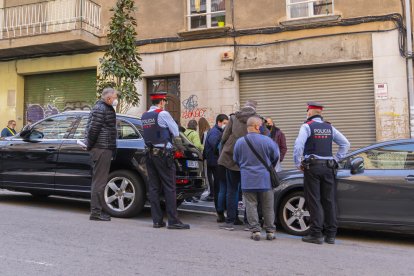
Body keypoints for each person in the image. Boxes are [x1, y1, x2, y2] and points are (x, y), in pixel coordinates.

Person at [293, 102, 350, 245]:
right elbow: (345, 144)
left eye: (307, 111)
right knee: (329, 200)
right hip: (329, 168)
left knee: (314, 200)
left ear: (310, 112)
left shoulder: (307, 126)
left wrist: (298, 163)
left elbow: (298, 145)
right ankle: (331, 235)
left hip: (313, 167)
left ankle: (316, 234)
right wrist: (335, 159)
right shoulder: (330, 127)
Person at [142, 91, 190, 230]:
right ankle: (173, 221)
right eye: (165, 102)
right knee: (170, 187)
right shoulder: (163, 114)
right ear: (162, 102)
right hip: (163, 154)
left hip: (150, 154)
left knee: (154, 188)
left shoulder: (144, 115)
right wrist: (180, 148)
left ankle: (157, 221)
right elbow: (175, 132)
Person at [234, 116, 279, 241]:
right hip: (265, 179)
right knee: (268, 206)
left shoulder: (239, 142)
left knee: (250, 205)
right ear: (257, 126)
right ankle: (270, 231)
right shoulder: (267, 141)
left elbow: (236, 160)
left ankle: (255, 231)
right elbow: (275, 156)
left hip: (247, 179)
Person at [218, 100, 259, 230]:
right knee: (249, 191)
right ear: (254, 109)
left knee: (232, 190)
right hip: (250, 160)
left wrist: (223, 150)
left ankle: (231, 221)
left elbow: (224, 137)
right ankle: (249, 222)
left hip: (232, 158)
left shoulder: (234, 118)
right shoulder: (257, 119)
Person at [85, 88, 118, 221]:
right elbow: (93, 129)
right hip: (102, 147)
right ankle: (96, 212)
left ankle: (97, 210)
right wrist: (90, 145)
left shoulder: (104, 108)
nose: (116, 99)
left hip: (103, 147)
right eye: (115, 97)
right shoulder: (101, 108)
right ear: (108, 98)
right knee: (99, 181)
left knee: (99, 181)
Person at [203, 114, 229, 219]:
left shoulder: (217, 131)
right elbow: (216, 147)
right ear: (219, 122)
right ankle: (220, 212)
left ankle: (221, 211)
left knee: (220, 187)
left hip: (216, 162)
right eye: (224, 123)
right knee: (218, 187)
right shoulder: (214, 132)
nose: (226, 125)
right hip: (215, 163)